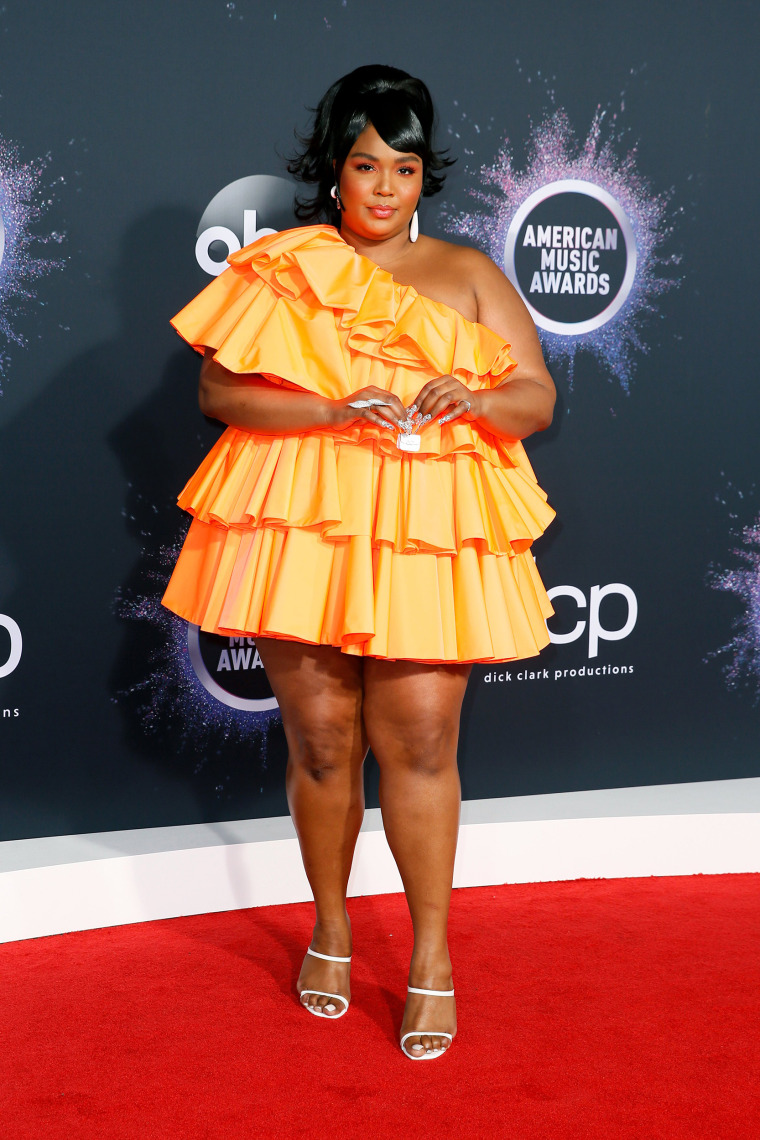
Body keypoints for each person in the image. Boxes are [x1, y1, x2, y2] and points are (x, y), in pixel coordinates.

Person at [162, 64, 556, 1060]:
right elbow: (220, 391)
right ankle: (331, 929)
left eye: (406, 167)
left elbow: (534, 401)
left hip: (427, 533)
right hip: (309, 527)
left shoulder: (468, 271)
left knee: (421, 740)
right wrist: (333, 409)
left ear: (427, 176)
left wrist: (466, 397)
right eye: (365, 163)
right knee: (325, 743)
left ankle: (429, 959)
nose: (384, 186)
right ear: (332, 167)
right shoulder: (287, 266)